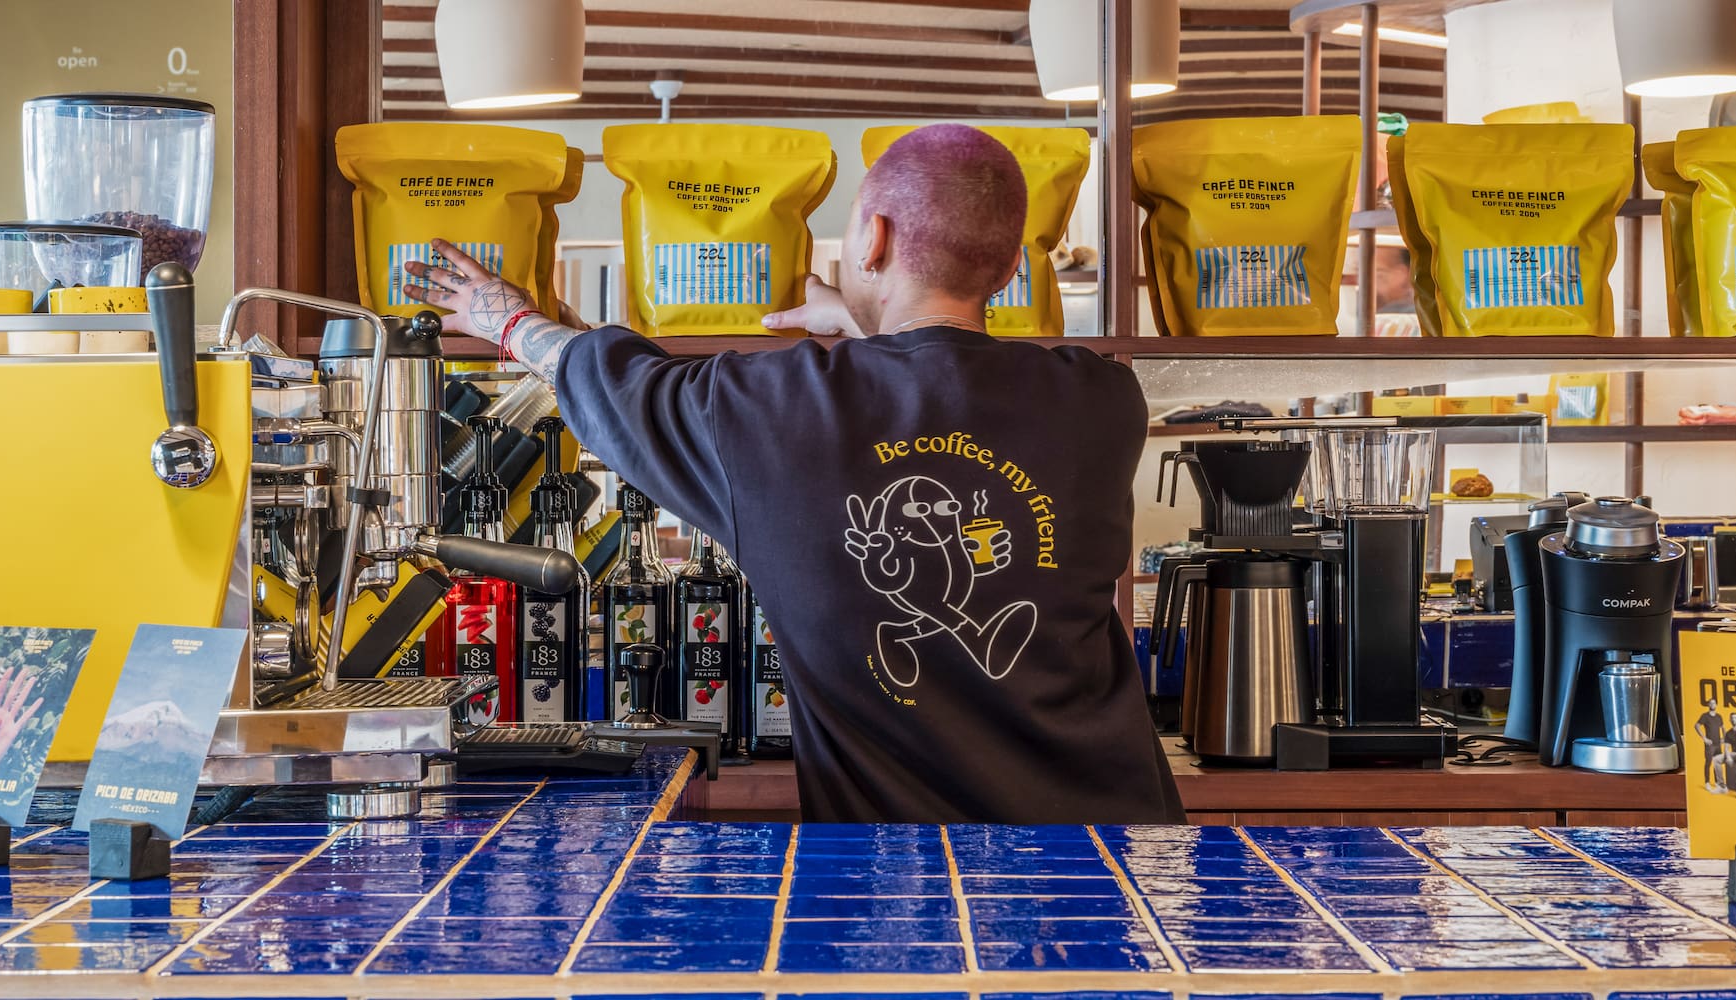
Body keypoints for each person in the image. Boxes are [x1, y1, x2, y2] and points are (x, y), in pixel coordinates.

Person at [402, 124, 1185, 826]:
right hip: (1108, 845)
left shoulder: (766, 410)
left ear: (871, 241)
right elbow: (948, 382)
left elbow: (611, 384)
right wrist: (859, 331)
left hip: (898, 885)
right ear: (1012, 265)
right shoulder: (1102, 399)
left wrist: (503, 315)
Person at [1693, 697, 1723, 792]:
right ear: (1708, 705)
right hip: (1710, 745)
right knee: (1708, 762)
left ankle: (1718, 783)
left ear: (1716, 705)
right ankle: (1707, 782)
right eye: (1710, 703)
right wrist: (1704, 738)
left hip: (1718, 744)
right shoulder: (1705, 716)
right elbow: (1696, 725)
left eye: (1714, 703)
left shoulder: (1719, 717)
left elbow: (1723, 728)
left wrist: (1724, 738)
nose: (1712, 705)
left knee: (1717, 764)